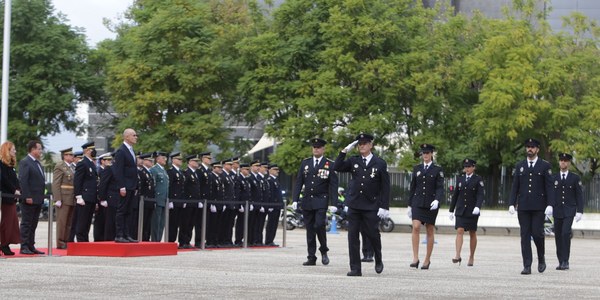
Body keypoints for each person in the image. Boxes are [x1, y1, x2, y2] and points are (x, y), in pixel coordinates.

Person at [335, 133, 389, 276]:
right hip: (354, 204)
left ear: (371, 145)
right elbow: (337, 166)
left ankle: (378, 257)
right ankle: (355, 268)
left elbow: (385, 186)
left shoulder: (380, 163)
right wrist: (344, 151)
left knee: (373, 234)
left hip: (371, 205)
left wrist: (384, 206)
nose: (362, 146)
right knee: (352, 237)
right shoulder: (353, 160)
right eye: (359, 144)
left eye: (365, 143)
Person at [509, 138, 554, 275]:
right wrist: (511, 203)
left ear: (537, 149)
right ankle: (527, 265)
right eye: (528, 147)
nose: (530, 149)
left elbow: (549, 187)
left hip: (538, 206)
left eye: (532, 147)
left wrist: (550, 204)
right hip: (523, 206)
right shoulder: (520, 165)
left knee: (537, 234)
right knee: (525, 236)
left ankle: (541, 257)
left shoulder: (544, 166)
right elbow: (515, 186)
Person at [292, 137, 339, 266]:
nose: (316, 149)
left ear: (323, 149)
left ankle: (323, 250)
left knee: (319, 225)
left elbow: (333, 185)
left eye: (318, 147)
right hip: (307, 200)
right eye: (314, 147)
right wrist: (295, 199)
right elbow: (299, 182)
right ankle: (311, 256)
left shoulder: (329, 164)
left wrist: (334, 203)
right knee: (310, 230)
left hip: (321, 200)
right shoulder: (305, 163)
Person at [408, 143, 444, 270]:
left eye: (427, 153)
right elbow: (412, 187)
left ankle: (427, 260)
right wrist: (409, 204)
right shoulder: (417, 168)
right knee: (416, 226)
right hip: (417, 202)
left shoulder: (437, 170)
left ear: (432, 154)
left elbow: (440, 188)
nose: (425, 155)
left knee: (429, 230)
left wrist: (437, 200)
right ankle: (415, 258)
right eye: (423, 153)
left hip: (431, 204)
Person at [449, 158, 484, 267]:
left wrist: (478, 207)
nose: (467, 169)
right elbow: (455, 195)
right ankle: (457, 255)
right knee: (459, 230)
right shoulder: (460, 179)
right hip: (460, 209)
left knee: (472, 232)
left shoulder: (478, 179)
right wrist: (451, 210)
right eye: (465, 167)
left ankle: (471, 256)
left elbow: (480, 195)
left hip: (472, 210)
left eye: (469, 166)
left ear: (474, 167)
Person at [552, 153, 584, 270]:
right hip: (557, 210)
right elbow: (550, 194)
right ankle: (560, 260)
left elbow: (579, 195)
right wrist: (549, 206)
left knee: (565, 233)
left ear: (569, 163)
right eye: (561, 160)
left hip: (569, 210)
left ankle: (566, 260)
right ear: (559, 162)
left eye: (565, 161)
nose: (563, 162)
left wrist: (580, 211)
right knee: (558, 236)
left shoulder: (575, 178)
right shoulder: (554, 178)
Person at [111, 128, 140, 243]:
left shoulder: (131, 150)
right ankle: (119, 235)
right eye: (134, 135)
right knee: (122, 210)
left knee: (129, 211)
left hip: (131, 185)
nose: (136, 137)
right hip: (125, 186)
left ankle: (127, 234)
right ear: (126, 137)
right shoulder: (121, 151)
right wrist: (121, 186)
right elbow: (119, 171)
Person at [18, 140, 46, 255]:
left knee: (34, 223)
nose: (40, 151)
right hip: (29, 199)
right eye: (39, 149)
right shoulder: (25, 162)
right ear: (33, 149)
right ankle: (24, 246)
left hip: (38, 198)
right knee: (27, 223)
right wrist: (27, 196)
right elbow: (23, 181)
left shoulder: (37, 163)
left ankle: (31, 245)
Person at [73, 142, 98, 242]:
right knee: (82, 222)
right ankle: (81, 241)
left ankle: (85, 241)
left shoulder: (91, 163)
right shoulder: (82, 163)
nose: (93, 152)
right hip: (84, 197)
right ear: (86, 151)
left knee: (87, 222)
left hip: (91, 196)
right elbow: (77, 181)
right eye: (92, 150)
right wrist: (78, 196)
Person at [51, 147, 76, 249]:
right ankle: (60, 242)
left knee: (69, 222)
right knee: (62, 222)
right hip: (63, 197)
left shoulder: (72, 167)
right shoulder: (60, 166)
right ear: (64, 156)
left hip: (71, 197)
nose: (71, 156)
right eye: (69, 155)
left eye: (72, 155)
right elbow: (56, 183)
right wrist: (57, 198)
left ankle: (66, 240)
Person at [0, 141, 21, 255]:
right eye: (13, 149)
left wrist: (18, 189)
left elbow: (14, 180)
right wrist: (14, 190)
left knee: (11, 222)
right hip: (5, 198)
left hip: (11, 198)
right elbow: (4, 180)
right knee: (6, 222)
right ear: (7, 151)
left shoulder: (10, 166)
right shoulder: (2, 165)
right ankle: (4, 244)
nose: (15, 151)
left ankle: (5, 243)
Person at [97, 152, 119, 241]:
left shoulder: (119, 168)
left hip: (118, 198)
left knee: (116, 221)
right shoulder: (109, 168)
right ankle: (108, 240)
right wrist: (103, 199)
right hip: (111, 198)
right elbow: (103, 184)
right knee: (110, 222)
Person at [150, 152, 169, 242]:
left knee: (161, 223)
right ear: (157, 159)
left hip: (164, 199)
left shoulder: (164, 170)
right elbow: (153, 185)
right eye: (163, 158)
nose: (165, 159)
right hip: (157, 199)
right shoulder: (154, 169)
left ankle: (158, 240)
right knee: (156, 222)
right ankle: (155, 240)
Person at [167, 152, 186, 244]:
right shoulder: (171, 172)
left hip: (180, 201)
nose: (181, 161)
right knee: (172, 223)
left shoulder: (181, 172)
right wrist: (170, 200)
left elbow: (183, 187)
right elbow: (170, 187)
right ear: (173, 160)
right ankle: (171, 240)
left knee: (179, 222)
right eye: (179, 159)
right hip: (174, 201)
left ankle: (176, 241)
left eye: (181, 159)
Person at [94, 152, 112, 241]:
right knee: (99, 221)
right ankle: (98, 239)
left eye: (110, 160)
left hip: (105, 198)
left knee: (105, 220)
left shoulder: (107, 170)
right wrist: (100, 199)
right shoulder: (99, 170)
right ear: (102, 161)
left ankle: (102, 238)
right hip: (100, 199)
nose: (109, 162)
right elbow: (99, 186)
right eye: (107, 160)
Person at [138, 153, 156, 241]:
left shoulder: (149, 172)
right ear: (144, 161)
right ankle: (142, 237)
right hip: (144, 200)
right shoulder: (142, 172)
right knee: (144, 220)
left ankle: (146, 237)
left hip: (150, 200)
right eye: (149, 160)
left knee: (148, 221)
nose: (151, 162)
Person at [265, 164, 282, 246]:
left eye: (277, 169)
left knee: (274, 224)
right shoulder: (269, 180)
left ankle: (271, 240)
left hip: (277, 206)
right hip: (273, 205)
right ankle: (268, 240)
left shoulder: (275, 180)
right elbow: (270, 194)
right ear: (270, 170)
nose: (277, 171)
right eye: (275, 169)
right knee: (271, 224)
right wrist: (270, 205)